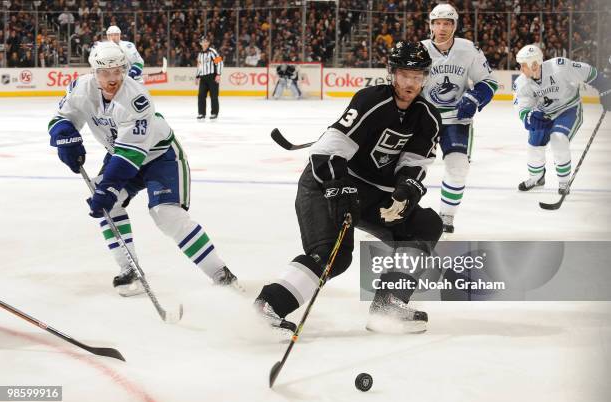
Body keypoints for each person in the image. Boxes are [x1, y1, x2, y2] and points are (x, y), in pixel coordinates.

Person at [254, 41, 443, 334]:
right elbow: (324, 154)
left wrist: (407, 189)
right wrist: (338, 188)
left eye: (418, 76)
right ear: (392, 73)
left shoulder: (428, 117)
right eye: (405, 75)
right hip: (325, 181)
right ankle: (269, 305)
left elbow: (414, 164)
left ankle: (389, 303)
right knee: (334, 253)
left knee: (425, 225)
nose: (411, 83)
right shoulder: (371, 101)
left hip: (372, 194)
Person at [47, 42, 239, 296]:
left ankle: (221, 274)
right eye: (105, 73)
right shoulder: (80, 89)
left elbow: (131, 154)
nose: (112, 79)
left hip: (160, 156)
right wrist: (64, 136)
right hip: (123, 156)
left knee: (166, 214)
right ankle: (130, 270)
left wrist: (109, 187)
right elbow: (61, 119)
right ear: (94, 72)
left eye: (117, 71)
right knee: (106, 203)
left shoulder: (136, 98)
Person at [421, 4, 498, 233]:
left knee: (458, 166)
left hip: (457, 117)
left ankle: (447, 215)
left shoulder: (468, 50)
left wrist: (475, 97)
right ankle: (397, 210)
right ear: (431, 24)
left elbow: (489, 81)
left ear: (455, 26)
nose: (442, 28)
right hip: (425, 117)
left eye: (447, 23)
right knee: (409, 165)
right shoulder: (419, 49)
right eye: (437, 22)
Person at [513, 44, 610, 193]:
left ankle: (564, 182)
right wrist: (530, 117)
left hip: (568, 109)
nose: (521, 69)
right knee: (534, 143)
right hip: (545, 114)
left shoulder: (560, 67)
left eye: (523, 65)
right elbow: (523, 108)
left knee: (558, 138)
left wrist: (605, 88)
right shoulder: (521, 82)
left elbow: (589, 73)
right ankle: (536, 176)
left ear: (534, 64)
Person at [195, 36, 223, 120]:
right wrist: (197, 76)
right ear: (200, 43)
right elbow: (199, 66)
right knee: (201, 96)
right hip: (203, 78)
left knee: (214, 96)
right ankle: (201, 113)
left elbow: (220, 62)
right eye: (203, 42)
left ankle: (214, 113)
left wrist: (218, 74)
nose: (204, 43)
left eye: (206, 41)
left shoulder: (212, 52)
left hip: (212, 76)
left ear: (208, 43)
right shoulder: (200, 54)